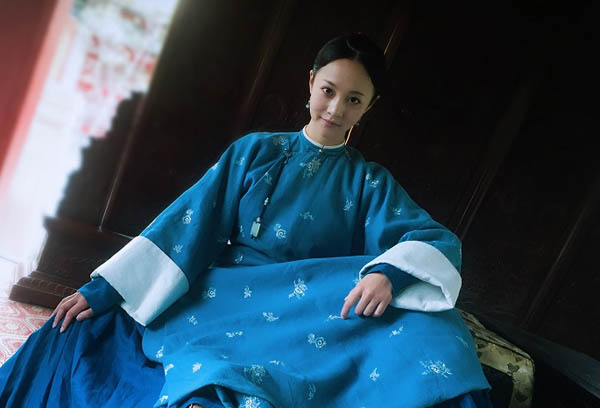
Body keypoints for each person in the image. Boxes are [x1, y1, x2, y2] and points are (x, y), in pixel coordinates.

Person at [0, 33, 492, 408]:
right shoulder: (255, 152)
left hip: (310, 309)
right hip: (226, 297)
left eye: (354, 100)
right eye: (328, 90)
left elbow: (432, 239)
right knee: (202, 370)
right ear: (311, 82)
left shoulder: (369, 182)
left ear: (369, 107)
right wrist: (104, 290)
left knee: (439, 336)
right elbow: (188, 222)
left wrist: (388, 273)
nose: (335, 109)